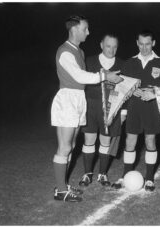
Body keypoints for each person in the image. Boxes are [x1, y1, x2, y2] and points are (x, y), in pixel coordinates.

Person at [51, 15, 122, 202]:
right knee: (65, 147)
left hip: (78, 99)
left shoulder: (79, 52)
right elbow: (79, 76)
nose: (88, 32)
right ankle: (60, 190)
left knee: (72, 145)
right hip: (68, 99)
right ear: (74, 29)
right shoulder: (65, 51)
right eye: (85, 29)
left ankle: (63, 186)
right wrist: (105, 75)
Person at [111, 30, 160, 191]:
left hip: (152, 108)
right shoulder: (129, 63)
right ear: (137, 43)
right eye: (141, 44)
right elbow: (122, 88)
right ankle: (125, 175)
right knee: (130, 140)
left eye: (148, 44)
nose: (144, 48)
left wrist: (153, 93)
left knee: (150, 140)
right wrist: (130, 94)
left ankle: (150, 178)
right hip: (133, 107)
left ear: (153, 43)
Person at [78, 34, 126, 187]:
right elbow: (81, 82)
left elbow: (125, 90)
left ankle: (102, 174)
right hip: (91, 105)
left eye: (114, 46)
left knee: (105, 141)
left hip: (111, 107)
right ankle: (87, 174)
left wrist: (123, 112)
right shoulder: (89, 61)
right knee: (89, 140)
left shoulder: (122, 64)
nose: (111, 49)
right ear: (101, 45)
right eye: (108, 46)